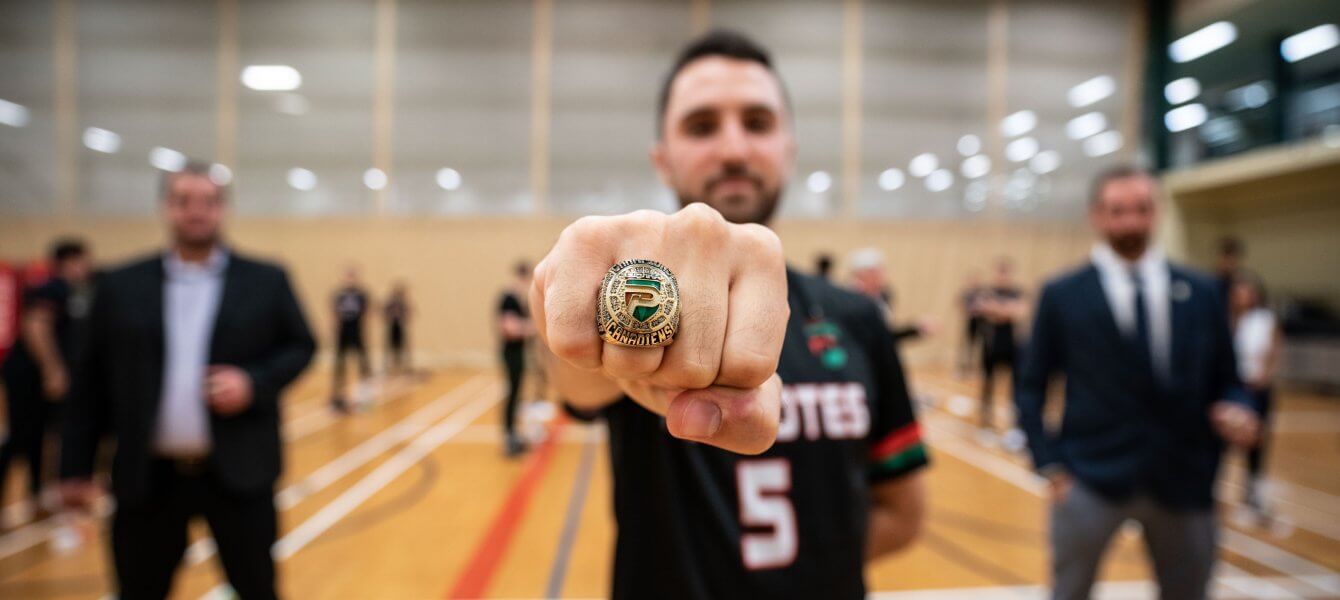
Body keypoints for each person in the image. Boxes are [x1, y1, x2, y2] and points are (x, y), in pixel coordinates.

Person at [532, 30, 927, 598]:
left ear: (789, 147)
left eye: (758, 123)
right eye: (701, 127)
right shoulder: (643, 299)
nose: (735, 149)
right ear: (661, 160)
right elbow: (577, 380)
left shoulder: (860, 318)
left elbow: (904, 513)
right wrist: (560, 300)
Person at [59, 161, 315, 600]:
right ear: (166, 207)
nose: (196, 211)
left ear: (223, 209)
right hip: (147, 478)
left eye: (208, 202)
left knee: (257, 589)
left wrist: (253, 382)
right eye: (184, 201)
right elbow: (90, 383)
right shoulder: (121, 285)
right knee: (139, 590)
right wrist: (75, 468)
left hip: (239, 474)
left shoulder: (266, 281)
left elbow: (301, 346)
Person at [1014, 165, 1260, 600]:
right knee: (1069, 591)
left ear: (1157, 211)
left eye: (1141, 209)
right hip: (1089, 476)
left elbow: (1229, 379)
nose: (1130, 222)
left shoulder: (1201, 292)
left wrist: (1236, 407)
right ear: (1097, 215)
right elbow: (1031, 383)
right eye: (1118, 210)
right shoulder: (1063, 294)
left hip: (1185, 479)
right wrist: (1048, 463)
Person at [0, 239, 92, 525]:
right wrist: (52, 370)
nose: (86, 267)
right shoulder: (54, 287)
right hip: (27, 375)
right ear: (69, 261)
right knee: (21, 437)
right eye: (82, 261)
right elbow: (35, 326)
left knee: (42, 435)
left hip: (37, 376)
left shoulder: (71, 292)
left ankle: (37, 495)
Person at [1228, 271, 1280, 519]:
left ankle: (1253, 490)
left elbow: (1274, 352)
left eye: (1247, 290)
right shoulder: (1227, 319)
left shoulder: (1265, 319)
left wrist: (1265, 377)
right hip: (1232, 387)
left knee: (1257, 440)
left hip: (1257, 387)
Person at [976, 257, 1024, 432]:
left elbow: (1019, 312)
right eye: (1000, 272)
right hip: (991, 343)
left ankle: (1015, 414)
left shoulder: (1016, 292)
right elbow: (982, 308)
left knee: (1016, 382)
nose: (1002, 276)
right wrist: (1003, 310)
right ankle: (985, 413)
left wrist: (997, 309)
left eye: (1006, 273)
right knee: (988, 380)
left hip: (1011, 344)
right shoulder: (987, 291)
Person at [498, 262, 533, 457]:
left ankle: (515, 434)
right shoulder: (508, 298)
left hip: (518, 352)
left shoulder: (516, 299)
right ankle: (509, 437)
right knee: (512, 393)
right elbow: (509, 329)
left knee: (517, 392)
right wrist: (534, 327)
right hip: (511, 352)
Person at [331, 267, 370, 412]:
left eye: (352, 276)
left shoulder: (362, 294)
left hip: (357, 330)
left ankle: (365, 394)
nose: (350, 279)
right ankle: (337, 395)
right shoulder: (339, 295)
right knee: (340, 364)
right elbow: (334, 313)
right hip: (343, 332)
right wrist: (335, 329)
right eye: (348, 276)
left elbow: (366, 313)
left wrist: (365, 331)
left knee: (363, 362)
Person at [957, 270, 986, 379]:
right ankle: (963, 370)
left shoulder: (983, 293)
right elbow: (962, 306)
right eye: (972, 280)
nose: (974, 282)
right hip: (970, 322)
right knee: (967, 346)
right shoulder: (966, 294)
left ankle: (977, 370)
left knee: (982, 346)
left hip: (982, 323)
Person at [383, 281, 412, 375]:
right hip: (392, 325)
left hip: (400, 325)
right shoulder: (390, 301)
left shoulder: (403, 302)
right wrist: (389, 317)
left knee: (402, 346)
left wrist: (405, 318)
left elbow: (408, 312)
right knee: (391, 346)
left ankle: (403, 365)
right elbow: (384, 311)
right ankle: (390, 366)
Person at [1215, 236, 1244, 306]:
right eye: (1225, 258)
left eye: (1231, 259)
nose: (1227, 263)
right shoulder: (1211, 283)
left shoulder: (1243, 283)